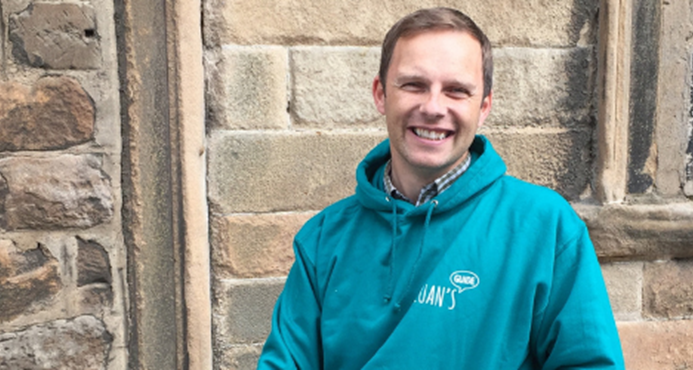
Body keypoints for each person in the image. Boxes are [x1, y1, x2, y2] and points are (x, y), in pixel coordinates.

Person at [258, 7, 624, 369]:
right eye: (414, 85)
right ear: (381, 94)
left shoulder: (545, 227)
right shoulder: (324, 239)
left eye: (456, 91)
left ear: (483, 106)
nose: (433, 107)